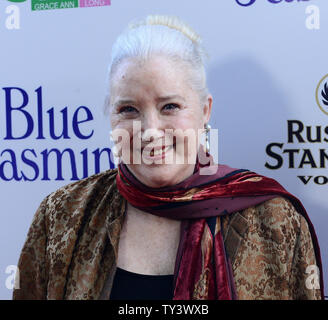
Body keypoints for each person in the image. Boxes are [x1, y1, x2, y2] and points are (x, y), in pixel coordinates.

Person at [13, 15, 324, 300]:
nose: (150, 131)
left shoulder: (274, 219)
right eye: (128, 109)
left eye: (170, 106)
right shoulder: (62, 216)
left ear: (205, 111)